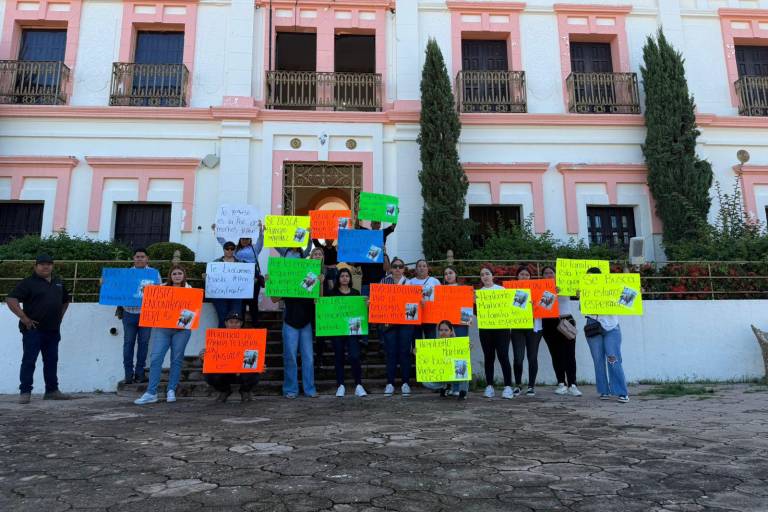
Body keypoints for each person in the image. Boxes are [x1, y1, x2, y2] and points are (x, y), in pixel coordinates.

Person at [7, 254, 72, 404]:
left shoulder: (58, 283)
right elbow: (11, 299)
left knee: (51, 360)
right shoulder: (28, 283)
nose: (45, 266)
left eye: (49, 264)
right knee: (29, 360)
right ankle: (25, 392)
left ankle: (52, 391)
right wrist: (24, 318)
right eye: (42, 264)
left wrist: (60, 318)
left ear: (52, 266)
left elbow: (65, 301)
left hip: (53, 330)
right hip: (33, 330)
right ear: (36, 266)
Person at [134, 265, 195, 405]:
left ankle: (171, 389)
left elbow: (192, 309)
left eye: (180, 273)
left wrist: (182, 322)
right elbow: (149, 300)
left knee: (176, 359)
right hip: (163, 328)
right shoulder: (161, 288)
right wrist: (145, 292)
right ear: (170, 275)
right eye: (174, 273)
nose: (177, 276)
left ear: (184, 275)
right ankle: (151, 392)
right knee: (156, 358)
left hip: (181, 329)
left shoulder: (190, 290)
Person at [271, 251, 319, 399]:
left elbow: (318, 298)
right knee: (290, 356)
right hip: (290, 321)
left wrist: (320, 282)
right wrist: (272, 281)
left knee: (309, 358)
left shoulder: (310, 276)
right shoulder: (286, 277)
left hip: (306, 322)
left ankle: (310, 389)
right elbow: (274, 299)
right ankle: (290, 389)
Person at [583, 267, 629, 403]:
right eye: (588, 277)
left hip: (612, 326)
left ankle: (621, 391)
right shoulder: (585, 289)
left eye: (593, 276)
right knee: (598, 359)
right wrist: (583, 297)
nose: (591, 279)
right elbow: (582, 309)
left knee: (613, 358)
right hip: (593, 325)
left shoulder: (611, 286)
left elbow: (626, 300)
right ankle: (604, 390)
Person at [117, 248, 160, 384]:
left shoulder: (154, 273)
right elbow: (118, 289)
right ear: (133, 258)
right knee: (128, 343)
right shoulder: (126, 273)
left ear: (147, 259)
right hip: (129, 312)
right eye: (137, 256)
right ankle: (128, 374)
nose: (140, 259)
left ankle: (140, 373)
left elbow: (159, 291)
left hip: (146, 313)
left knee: (143, 344)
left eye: (142, 257)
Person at [539, 265, 581, 397]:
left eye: (551, 272)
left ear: (556, 274)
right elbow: (542, 307)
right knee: (556, 354)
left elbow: (579, 295)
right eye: (546, 273)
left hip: (566, 320)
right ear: (542, 276)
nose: (549, 275)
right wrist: (551, 293)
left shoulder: (566, 284)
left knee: (570, 354)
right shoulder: (540, 289)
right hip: (549, 323)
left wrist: (578, 293)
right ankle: (561, 383)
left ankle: (573, 384)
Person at [200, 312, 259, 402]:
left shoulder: (249, 339)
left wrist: (259, 363)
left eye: (237, 322)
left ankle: (245, 391)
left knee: (255, 370)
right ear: (226, 323)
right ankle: (224, 391)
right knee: (209, 374)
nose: (234, 325)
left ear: (241, 324)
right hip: (224, 371)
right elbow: (207, 353)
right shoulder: (216, 338)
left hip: (242, 372)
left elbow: (253, 358)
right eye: (231, 322)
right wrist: (203, 357)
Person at [215, 222, 264, 326]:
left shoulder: (255, 248)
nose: (245, 241)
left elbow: (261, 240)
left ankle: (255, 325)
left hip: (253, 275)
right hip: (238, 277)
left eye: (247, 239)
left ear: (250, 239)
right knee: (240, 303)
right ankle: (241, 326)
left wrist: (261, 230)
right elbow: (223, 243)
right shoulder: (234, 249)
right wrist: (216, 231)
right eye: (243, 239)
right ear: (240, 239)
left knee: (253, 303)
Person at [329, 267, 367, 397]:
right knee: (339, 357)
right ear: (338, 279)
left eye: (347, 276)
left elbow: (361, 311)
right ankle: (340, 385)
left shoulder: (356, 293)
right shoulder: (332, 293)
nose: (345, 278)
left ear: (350, 278)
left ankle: (358, 385)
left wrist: (365, 305)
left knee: (355, 356)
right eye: (342, 276)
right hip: (337, 329)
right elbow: (327, 309)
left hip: (353, 328)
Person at [379, 257, 414, 397]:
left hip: (406, 322)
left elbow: (414, 304)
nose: (398, 269)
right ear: (391, 268)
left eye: (400, 266)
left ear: (404, 269)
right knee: (391, 352)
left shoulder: (410, 283)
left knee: (405, 352)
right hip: (389, 322)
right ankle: (390, 383)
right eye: (395, 266)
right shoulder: (383, 281)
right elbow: (379, 300)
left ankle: (405, 383)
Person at [476, 266, 514, 399]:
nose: (485, 276)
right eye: (482, 275)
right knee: (489, 357)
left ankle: (508, 386)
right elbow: (475, 312)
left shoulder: (502, 290)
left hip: (502, 329)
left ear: (492, 276)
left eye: (487, 274)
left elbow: (511, 307)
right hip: (485, 329)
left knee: (503, 356)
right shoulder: (478, 293)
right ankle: (489, 386)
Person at [510, 264, 544, 397]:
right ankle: (518, 384)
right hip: (518, 328)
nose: (524, 276)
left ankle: (531, 386)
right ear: (517, 276)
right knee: (518, 358)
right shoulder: (510, 290)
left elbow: (547, 304)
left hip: (534, 327)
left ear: (530, 277)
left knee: (532, 357)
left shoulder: (538, 290)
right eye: (521, 274)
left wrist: (535, 303)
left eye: (527, 275)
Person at [210, 241, 244, 328]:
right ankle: (221, 341)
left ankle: (234, 341)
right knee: (223, 319)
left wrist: (252, 280)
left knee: (236, 319)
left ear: (234, 250)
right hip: (219, 296)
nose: (229, 250)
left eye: (232, 249)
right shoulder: (215, 263)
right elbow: (211, 279)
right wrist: (206, 276)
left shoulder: (241, 263)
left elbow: (245, 279)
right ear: (223, 249)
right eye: (227, 249)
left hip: (236, 296)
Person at [356, 220, 396, 296]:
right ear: (371, 224)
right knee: (366, 306)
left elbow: (392, 226)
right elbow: (356, 225)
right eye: (375, 223)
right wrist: (358, 214)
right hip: (366, 282)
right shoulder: (366, 232)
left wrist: (395, 216)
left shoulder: (382, 233)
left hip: (379, 282)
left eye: (379, 223)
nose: (378, 225)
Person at [409, 259, 441, 341]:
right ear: (416, 269)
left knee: (430, 341)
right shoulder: (410, 282)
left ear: (427, 268)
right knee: (416, 341)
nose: (421, 268)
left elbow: (440, 298)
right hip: (414, 316)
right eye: (419, 266)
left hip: (430, 317)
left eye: (424, 266)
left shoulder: (434, 281)